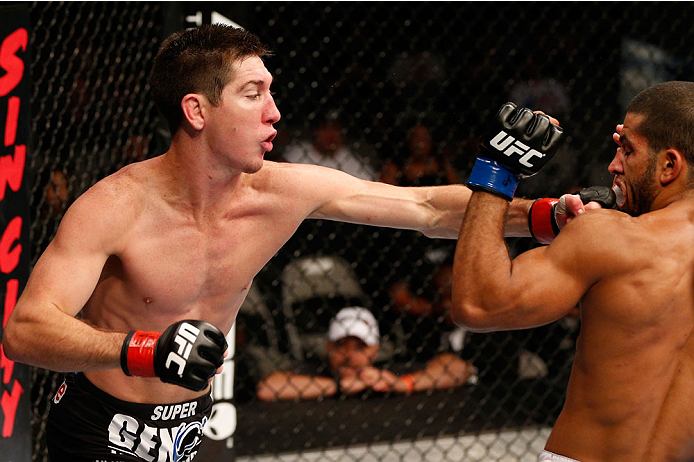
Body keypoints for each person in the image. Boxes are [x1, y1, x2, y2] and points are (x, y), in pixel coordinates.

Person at [1, 25, 584, 461]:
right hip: (99, 428)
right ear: (196, 110)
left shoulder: (280, 191)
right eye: (254, 94)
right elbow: (25, 330)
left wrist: (537, 213)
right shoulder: (113, 207)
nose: (275, 112)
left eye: (271, 92)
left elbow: (425, 207)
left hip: (187, 425)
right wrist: (142, 349)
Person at [451, 82, 694, 462]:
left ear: (669, 166)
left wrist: (497, 171)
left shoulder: (608, 236)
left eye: (627, 149)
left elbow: (478, 304)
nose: (613, 165)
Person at [256, 306, 475, 401]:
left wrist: (402, 384)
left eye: (360, 347)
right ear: (328, 347)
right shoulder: (314, 371)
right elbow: (267, 388)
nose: (350, 355)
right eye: (342, 345)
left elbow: (459, 367)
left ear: (375, 349)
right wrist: (339, 387)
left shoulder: (389, 369)